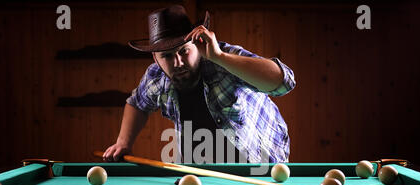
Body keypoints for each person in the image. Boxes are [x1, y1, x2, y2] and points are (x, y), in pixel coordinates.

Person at [103, 5, 295, 164]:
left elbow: (284, 82)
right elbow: (137, 103)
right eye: (167, 56)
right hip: (202, 169)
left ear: (196, 44)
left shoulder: (223, 57)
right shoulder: (156, 77)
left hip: (260, 163)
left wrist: (220, 57)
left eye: (183, 51)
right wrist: (123, 142)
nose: (177, 63)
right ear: (155, 57)